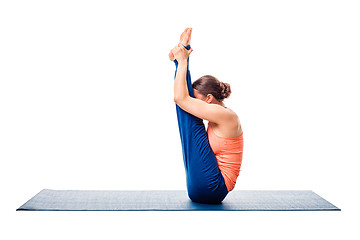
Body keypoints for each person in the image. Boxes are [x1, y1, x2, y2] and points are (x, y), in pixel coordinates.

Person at [169, 28, 244, 204]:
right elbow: (183, 99)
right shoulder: (219, 115)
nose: (194, 103)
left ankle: (182, 58)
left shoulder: (226, 116)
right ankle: (182, 57)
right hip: (206, 187)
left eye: (197, 99)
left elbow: (180, 98)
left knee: (186, 109)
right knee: (187, 109)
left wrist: (181, 61)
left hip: (213, 188)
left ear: (209, 98)